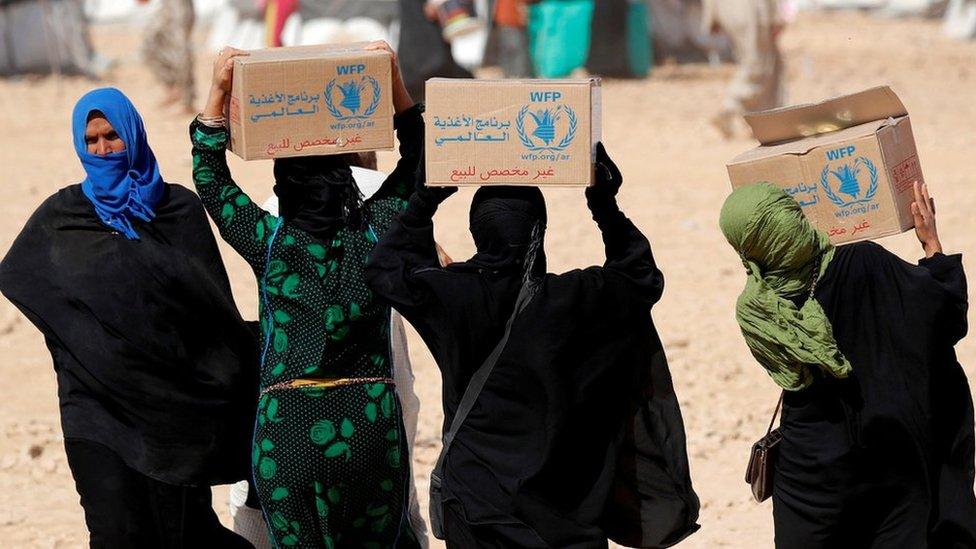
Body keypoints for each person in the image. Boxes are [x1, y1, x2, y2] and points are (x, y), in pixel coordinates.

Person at [366, 145, 701, 548]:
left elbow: (384, 269)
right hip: (566, 509)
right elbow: (640, 276)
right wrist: (604, 204)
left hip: (477, 505)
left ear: (477, 231)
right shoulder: (578, 299)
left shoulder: (453, 297)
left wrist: (425, 198)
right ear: (539, 231)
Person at [0, 88, 257, 548]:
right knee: (115, 532)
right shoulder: (63, 216)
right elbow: (21, 278)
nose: (103, 150)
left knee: (186, 535)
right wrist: (81, 344)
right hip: (95, 413)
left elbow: (212, 311)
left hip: (173, 417)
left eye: (112, 137)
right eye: (92, 141)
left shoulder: (177, 211)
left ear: (134, 134)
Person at [191, 42, 423, 548]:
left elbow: (210, 180)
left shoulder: (271, 244)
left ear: (284, 181)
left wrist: (217, 93)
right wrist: (395, 83)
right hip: (368, 426)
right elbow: (421, 162)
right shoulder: (376, 234)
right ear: (346, 177)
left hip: (289, 429)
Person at [719, 182, 976, 548]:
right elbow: (947, 317)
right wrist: (932, 245)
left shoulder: (756, 310)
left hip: (812, 472)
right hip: (891, 452)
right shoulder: (864, 261)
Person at [701, 0, 785, 138]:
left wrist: (711, 16)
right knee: (760, 65)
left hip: (726, 10)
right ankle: (731, 106)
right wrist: (774, 16)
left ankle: (759, 122)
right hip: (753, 11)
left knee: (752, 63)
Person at [138, 0, 196, 112]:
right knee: (150, 45)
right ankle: (172, 87)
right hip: (165, 5)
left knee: (180, 50)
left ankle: (187, 100)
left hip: (180, 5)